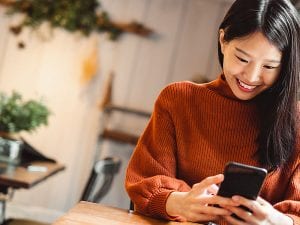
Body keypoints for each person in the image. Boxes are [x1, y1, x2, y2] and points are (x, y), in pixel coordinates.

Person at [125, 0, 300, 224]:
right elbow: (144, 183)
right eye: (242, 58)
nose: (251, 76)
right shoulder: (178, 100)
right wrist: (182, 203)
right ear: (223, 41)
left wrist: (276, 222)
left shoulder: (296, 124)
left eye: (269, 66)